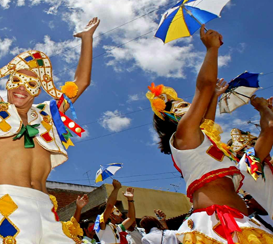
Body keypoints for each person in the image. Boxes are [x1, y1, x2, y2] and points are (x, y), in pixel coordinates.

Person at [0, 0, 99, 243]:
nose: (21, 87)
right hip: (7, 203)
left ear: (39, 90)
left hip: (46, 207)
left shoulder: (47, 114)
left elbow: (82, 82)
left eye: (31, 83)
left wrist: (87, 40)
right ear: (7, 84)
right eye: (16, 80)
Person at [149, 26, 273, 243]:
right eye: (183, 106)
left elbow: (208, 123)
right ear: (171, 118)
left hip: (240, 223)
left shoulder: (200, 141)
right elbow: (204, 87)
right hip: (214, 228)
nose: (189, 107)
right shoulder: (183, 137)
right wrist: (211, 49)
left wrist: (215, 97)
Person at [230, 97, 273, 223]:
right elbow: (270, 128)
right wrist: (262, 108)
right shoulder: (247, 163)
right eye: (256, 143)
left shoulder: (265, 166)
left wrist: (269, 110)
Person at [95, 179, 136, 244]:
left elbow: (131, 219)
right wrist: (116, 188)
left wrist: (130, 200)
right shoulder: (102, 225)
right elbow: (110, 205)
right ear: (110, 214)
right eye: (116, 211)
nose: (120, 215)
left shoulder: (117, 228)